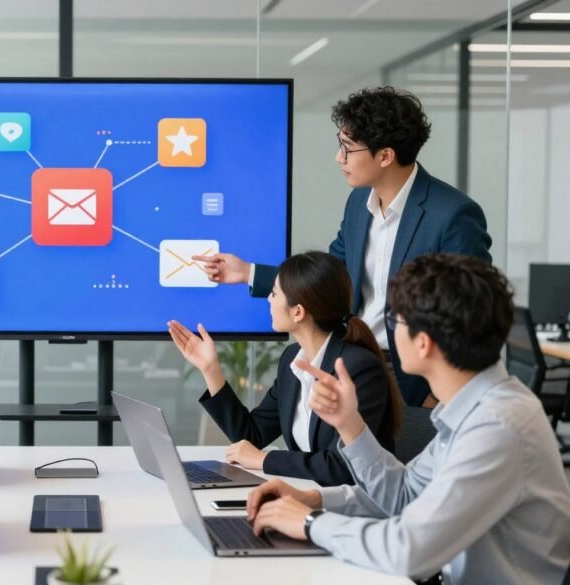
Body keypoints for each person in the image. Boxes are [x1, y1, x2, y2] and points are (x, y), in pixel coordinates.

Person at [246, 254, 570, 585]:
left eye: (394, 320)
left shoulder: (499, 426)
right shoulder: (471, 408)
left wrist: (311, 523)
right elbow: (405, 494)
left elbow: (408, 549)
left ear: (424, 343)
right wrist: (318, 491)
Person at [194, 87, 492, 407]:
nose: (339, 157)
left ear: (385, 156)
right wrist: (248, 273)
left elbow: (473, 316)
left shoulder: (452, 215)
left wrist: (438, 395)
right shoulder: (358, 203)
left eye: (348, 148)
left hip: (415, 384)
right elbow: (331, 276)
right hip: (355, 366)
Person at [168, 251, 402, 486]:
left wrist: (264, 460)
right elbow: (252, 436)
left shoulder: (356, 368)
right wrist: (210, 369)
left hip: (356, 509)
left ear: (298, 312)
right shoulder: (293, 359)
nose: (269, 299)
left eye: (274, 293)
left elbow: (342, 467)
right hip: (309, 496)